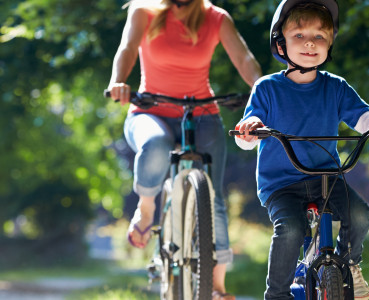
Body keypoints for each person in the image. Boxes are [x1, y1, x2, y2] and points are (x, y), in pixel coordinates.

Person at [232, 1, 369, 299]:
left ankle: (349, 264)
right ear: (281, 43)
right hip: (282, 183)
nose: (310, 43)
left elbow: (363, 116)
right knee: (289, 230)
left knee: (360, 215)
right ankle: (277, 294)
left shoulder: (335, 87)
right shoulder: (267, 88)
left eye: (320, 37)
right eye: (299, 35)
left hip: (327, 177)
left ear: (329, 45)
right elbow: (246, 132)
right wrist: (250, 129)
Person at [106, 0, 261, 298]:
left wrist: (260, 87)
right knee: (155, 144)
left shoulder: (216, 18)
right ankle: (147, 206)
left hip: (201, 111)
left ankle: (216, 286)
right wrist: (118, 81)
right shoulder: (144, 11)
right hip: (150, 110)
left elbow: (244, 59)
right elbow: (126, 48)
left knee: (213, 197)